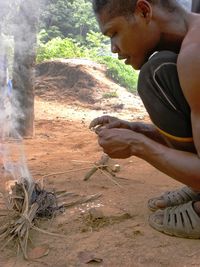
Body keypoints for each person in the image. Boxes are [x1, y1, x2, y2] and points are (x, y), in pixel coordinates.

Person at [89, 0, 200, 239]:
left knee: (157, 74)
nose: (113, 49)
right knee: (157, 73)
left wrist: (137, 145)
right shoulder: (188, 41)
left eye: (114, 33)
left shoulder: (195, 54)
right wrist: (138, 130)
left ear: (144, 11)